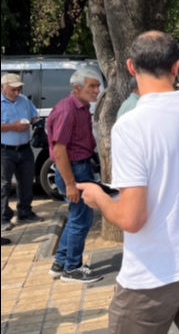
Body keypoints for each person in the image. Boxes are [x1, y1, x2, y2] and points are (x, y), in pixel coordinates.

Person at [78, 31, 179, 333]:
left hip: (152, 275)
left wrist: (98, 197)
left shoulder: (131, 126)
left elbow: (131, 219)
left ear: (131, 67)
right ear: (176, 67)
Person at [46, 69, 102, 283]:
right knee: (82, 220)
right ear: (77, 88)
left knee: (77, 218)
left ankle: (61, 262)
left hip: (81, 167)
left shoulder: (81, 107)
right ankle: (72, 268)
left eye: (97, 86)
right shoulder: (67, 110)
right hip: (74, 170)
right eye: (92, 86)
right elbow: (59, 150)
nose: (97, 90)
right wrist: (70, 183)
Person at [1, 73, 42, 231]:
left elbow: (34, 116)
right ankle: (3, 218)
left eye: (19, 89)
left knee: (26, 182)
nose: (17, 92)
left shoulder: (24, 100)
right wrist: (13, 126)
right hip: (4, 150)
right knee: (3, 185)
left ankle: (25, 212)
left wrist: (37, 124)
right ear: (2, 87)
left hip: (24, 148)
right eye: (13, 89)